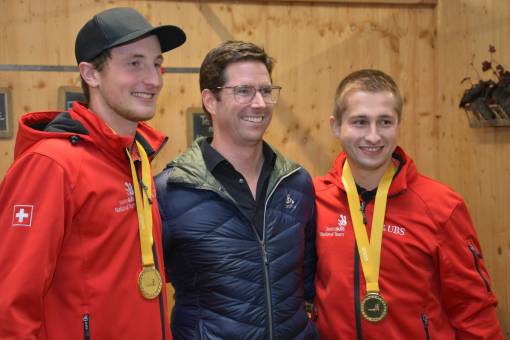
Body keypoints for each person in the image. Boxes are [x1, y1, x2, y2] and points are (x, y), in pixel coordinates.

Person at [0, 7, 185, 339]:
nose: (154, 80)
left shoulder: (136, 156)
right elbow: (10, 306)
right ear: (91, 74)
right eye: (134, 63)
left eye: (157, 64)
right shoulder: (51, 165)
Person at [312, 69, 504, 339]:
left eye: (385, 122)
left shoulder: (441, 206)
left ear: (399, 125)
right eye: (359, 122)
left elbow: (474, 310)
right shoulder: (312, 199)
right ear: (335, 126)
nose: (373, 136)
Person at [156, 40, 319, 340]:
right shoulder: (170, 191)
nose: (259, 103)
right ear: (210, 100)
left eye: (266, 91)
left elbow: (309, 285)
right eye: (244, 91)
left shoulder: (297, 183)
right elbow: (144, 295)